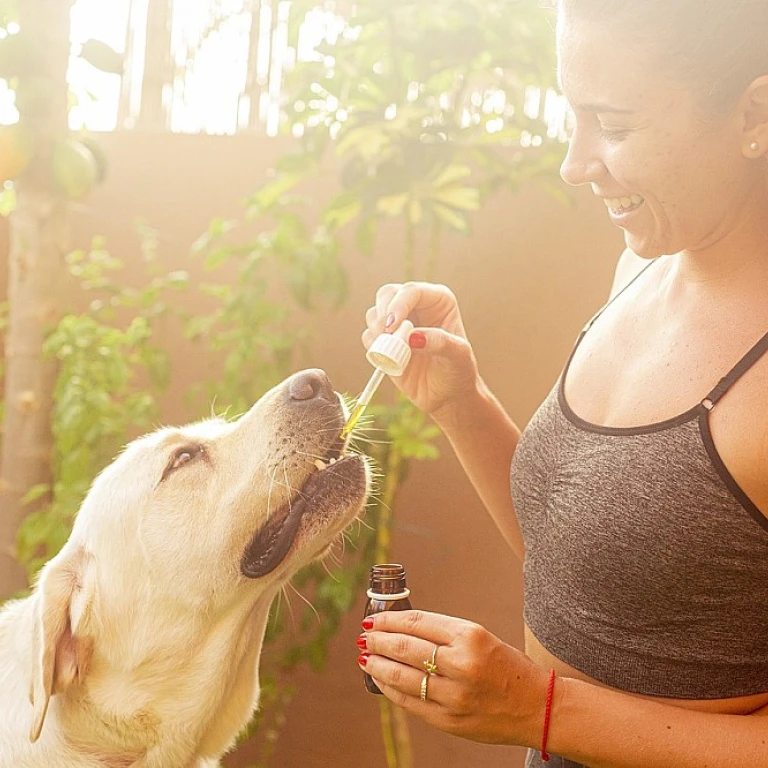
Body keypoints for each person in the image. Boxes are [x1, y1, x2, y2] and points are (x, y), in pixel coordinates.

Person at [354, 1, 768, 766]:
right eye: (571, 117)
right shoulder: (640, 265)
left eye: (613, 124)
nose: (575, 163)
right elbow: (594, 572)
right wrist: (462, 404)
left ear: (754, 112)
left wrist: (537, 708)